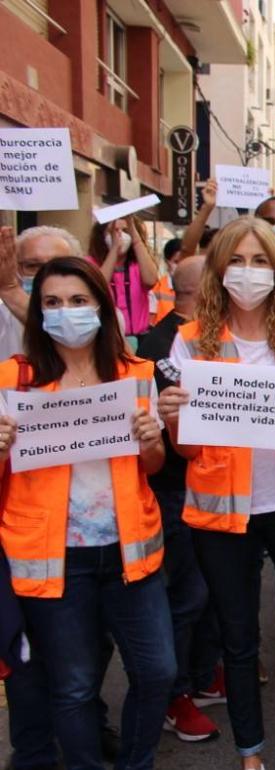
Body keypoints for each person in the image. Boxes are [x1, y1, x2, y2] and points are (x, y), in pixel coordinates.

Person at [156, 217, 275, 769]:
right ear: (218, 271)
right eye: (237, 261)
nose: (249, 273)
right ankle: (251, 754)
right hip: (221, 519)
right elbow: (186, 453)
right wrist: (172, 421)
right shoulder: (190, 343)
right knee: (239, 640)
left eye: (261, 261)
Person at [0, 255, 175, 770]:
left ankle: (136, 763)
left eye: (78, 300)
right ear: (37, 313)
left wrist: (151, 442)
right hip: (54, 559)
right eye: (51, 302)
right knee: (74, 687)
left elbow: (154, 466)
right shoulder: (14, 379)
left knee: (157, 672)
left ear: (101, 305)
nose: (65, 312)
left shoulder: (135, 373)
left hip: (130, 551)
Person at [136, 255, 225, 742]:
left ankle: (204, 672)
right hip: (175, 487)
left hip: (216, 487)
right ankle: (176, 694)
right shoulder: (162, 345)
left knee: (211, 589)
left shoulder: (215, 335)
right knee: (187, 595)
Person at [0, 225, 82, 360]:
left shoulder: (96, 315)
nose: (44, 275)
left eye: (57, 266)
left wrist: (10, 290)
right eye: (32, 266)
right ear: (13, 267)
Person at [87, 217, 158, 339]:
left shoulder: (138, 264)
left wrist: (135, 238)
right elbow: (97, 286)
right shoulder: (91, 263)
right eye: (113, 231)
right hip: (106, 338)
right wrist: (114, 249)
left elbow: (151, 280)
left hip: (139, 337)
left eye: (125, 231)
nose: (120, 235)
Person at [150, 238, 181, 325]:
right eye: (176, 261)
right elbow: (151, 322)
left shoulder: (196, 287)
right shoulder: (157, 288)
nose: (181, 265)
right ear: (167, 262)